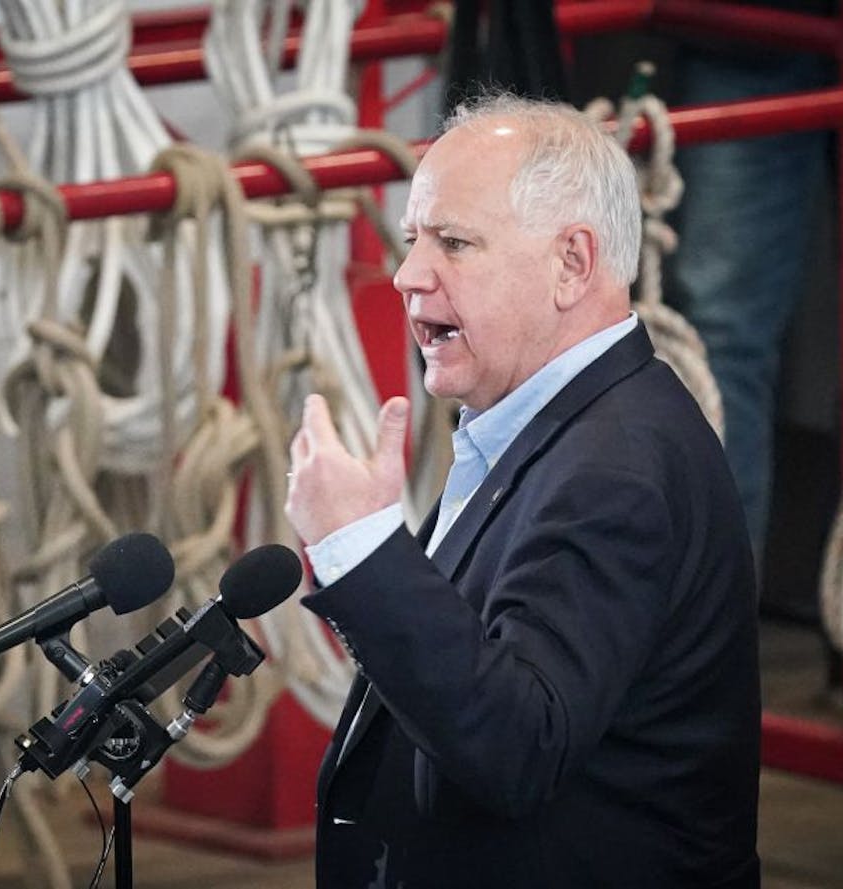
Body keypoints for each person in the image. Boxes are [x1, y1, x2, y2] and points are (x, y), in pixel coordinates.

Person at [284, 93, 762, 887]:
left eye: (455, 242)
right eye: (412, 241)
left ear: (572, 263)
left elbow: (517, 744)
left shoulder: (617, 469)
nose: (407, 275)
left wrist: (362, 547)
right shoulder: (556, 424)